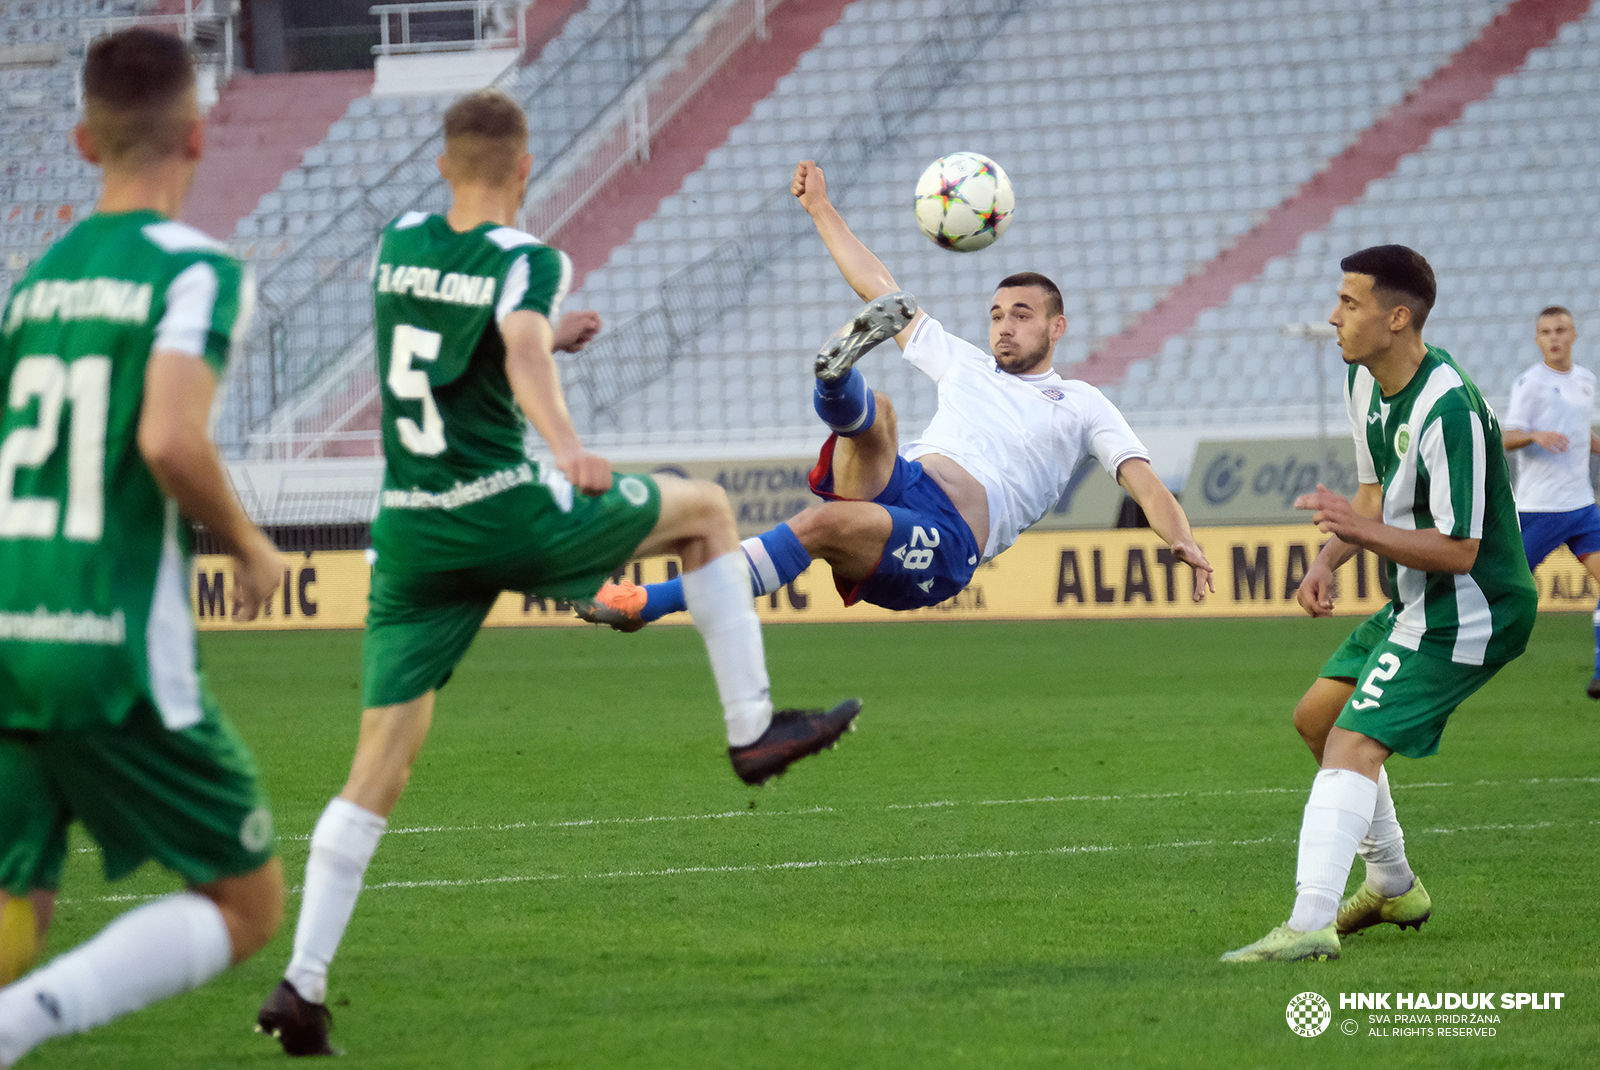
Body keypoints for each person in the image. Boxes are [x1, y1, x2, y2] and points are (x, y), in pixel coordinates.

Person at [255, 92, 858, 1057]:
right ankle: (752, 730)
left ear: (445, 166)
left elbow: (478, 346)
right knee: (703, 510)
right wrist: (569, 442)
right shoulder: (529, 260)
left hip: (409, 535)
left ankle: (301, 985)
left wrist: (540, 340)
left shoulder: (398, 240)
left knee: (379, 769)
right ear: (526, 168)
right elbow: (521, 345)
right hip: (500, 509)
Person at [575, 159, 1214, 631]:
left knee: (822, 523)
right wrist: (822, 210)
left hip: (947, 538)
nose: (1004, 325)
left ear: (1057, 327)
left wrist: (1179, 536)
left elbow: (1144, 481)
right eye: (996, 314)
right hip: (901, 480)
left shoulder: (1081, 403)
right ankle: (835, 379)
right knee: (878, 410)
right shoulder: (965, 364)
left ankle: (643, 606)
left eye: (1021, 314)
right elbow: (881, 291)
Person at [0, 28, 287, 1065]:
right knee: (247, 900)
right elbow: (168, 435)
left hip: (10, 624)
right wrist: (250, 545)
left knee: (16, 902)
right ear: (199, 137)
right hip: (107, 642)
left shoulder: (33, 287)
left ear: (82, 141)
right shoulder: (198, 271)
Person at [1224, 246, 1537, 963]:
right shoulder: (1365, 381)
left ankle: (1309, 923)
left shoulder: (1449, 407)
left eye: (1350, 303)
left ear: (1397, 318)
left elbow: (1460, 548)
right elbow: (1371, 494)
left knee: (1352, 745)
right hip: (1419, 597)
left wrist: (1361, 530)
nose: (1333, 316)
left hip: (1473, 606)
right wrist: (1327, 560)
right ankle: (1393, 883)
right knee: (1318, 719)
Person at [1502, 306, 1600, 697]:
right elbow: (1507, 437)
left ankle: (1599, 674)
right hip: (1538, 509)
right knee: (1502, 588)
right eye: (1546, 332)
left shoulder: (1586, 381)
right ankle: (1449, 651)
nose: (1554, 338)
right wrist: (1535, 435)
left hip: (1582, 508)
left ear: (1574, 335)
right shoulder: (1530, 384)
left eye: (1561, 330)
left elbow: (1579, 434)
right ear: (1538, 339)